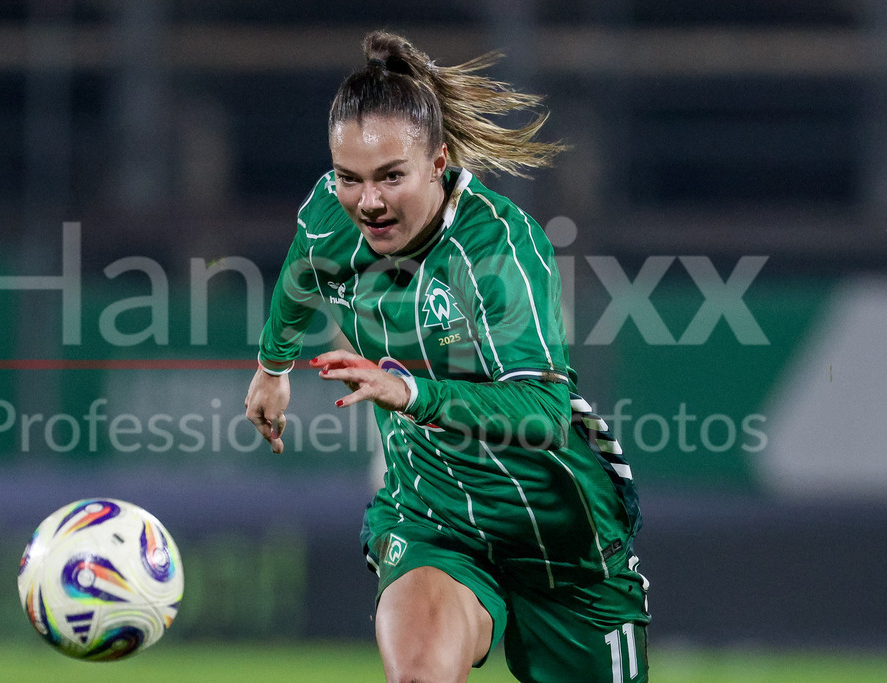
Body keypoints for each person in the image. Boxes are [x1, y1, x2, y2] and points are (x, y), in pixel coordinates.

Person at [245, 30, 649, 683]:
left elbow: (543, 413)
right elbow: (301, 270)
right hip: (431, 512)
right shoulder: (331, 212)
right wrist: (272, 366)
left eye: (390, 177)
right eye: (349, 177)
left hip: (556, 531)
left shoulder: (500, 249)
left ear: (438, 163)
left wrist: (412, 395)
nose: (367, 201)